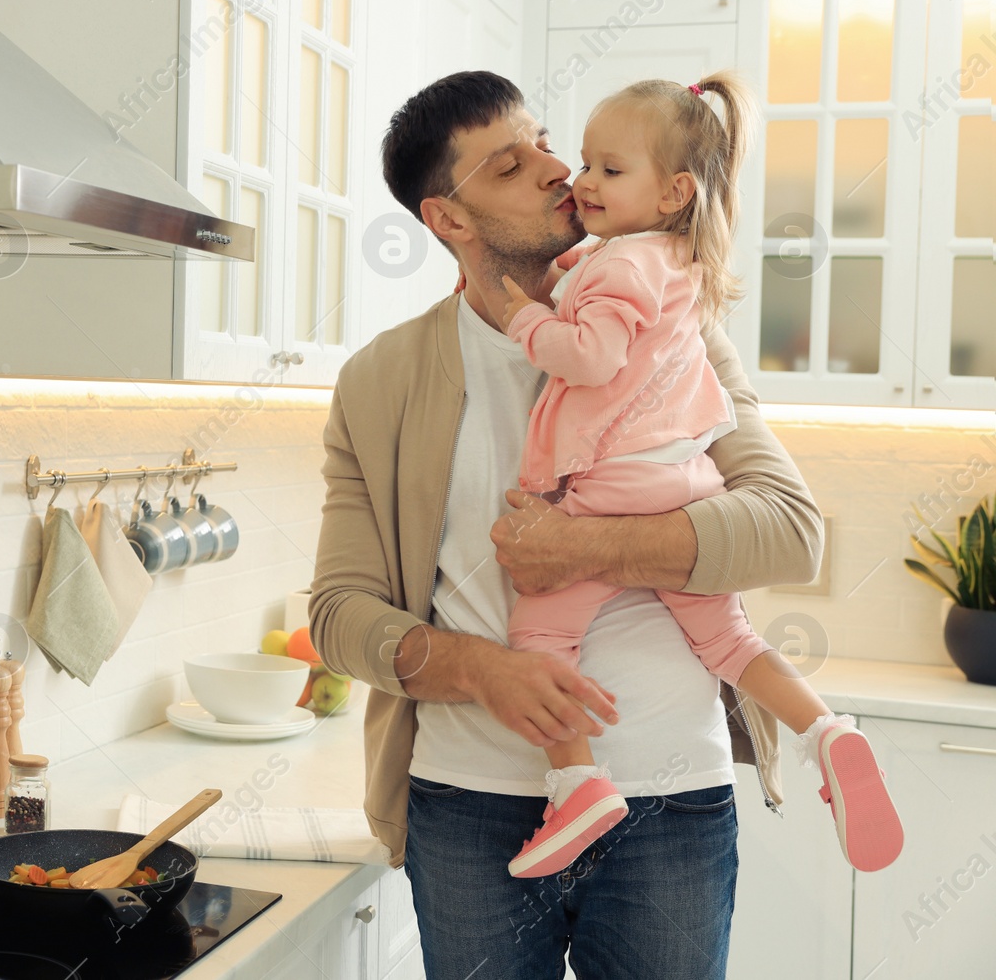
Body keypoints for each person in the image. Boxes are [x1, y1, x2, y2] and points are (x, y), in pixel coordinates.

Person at [310, 71, 817, 979]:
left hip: (669, 796)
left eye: (545, 140)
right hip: (470, 807)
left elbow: (790, 529)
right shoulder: (381, 381)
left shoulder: (674, 321)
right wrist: (477, 669)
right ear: (449, 220)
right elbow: (338, 614)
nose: (554, 169)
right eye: (511, 163)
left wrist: (587, 546)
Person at [491, 74, 903, 880]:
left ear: (675, 190)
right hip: (685, 475)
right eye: (583, 163)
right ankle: (825, 731)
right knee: (727, 638)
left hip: (616, 481)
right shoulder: (678, 261)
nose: (581, 182)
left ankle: (577, 784)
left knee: (538, 632)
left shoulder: (617, 269)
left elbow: (594, 355)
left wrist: (527, 320)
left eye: (609, 170)